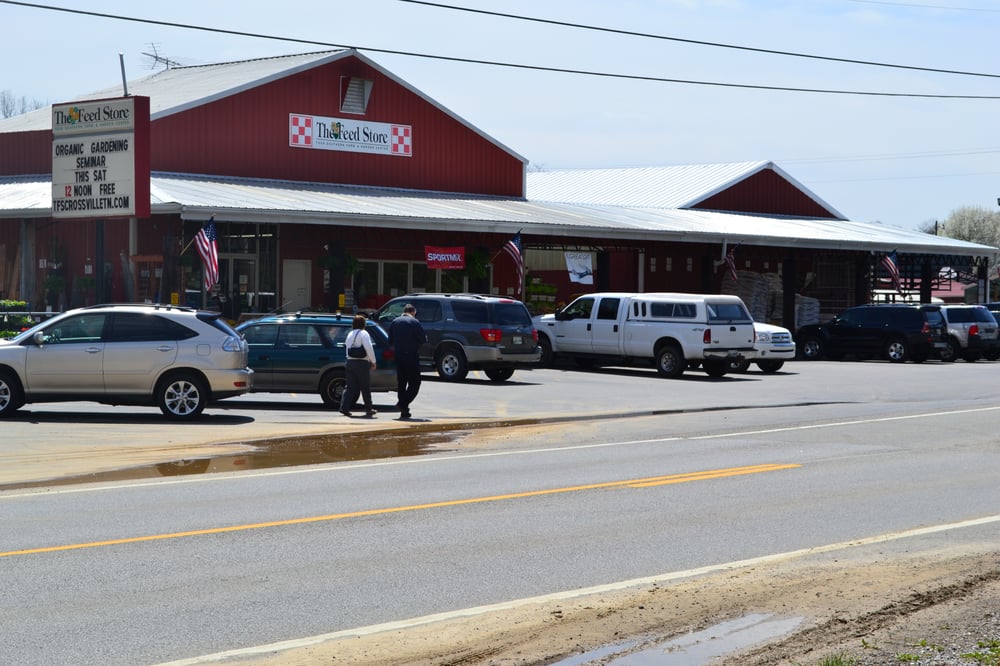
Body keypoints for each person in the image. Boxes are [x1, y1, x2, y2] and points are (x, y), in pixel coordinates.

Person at [388, 303, 427, 419]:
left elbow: (390, 341)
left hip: (398, 357)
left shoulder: (395, 322)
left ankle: (404, 411)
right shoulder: (415, 322)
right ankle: (403, 403)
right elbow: (423, 340)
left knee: (402, 383)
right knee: (415, 383)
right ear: (413, 312)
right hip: (411, 356)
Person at [340, 315, 377, 418]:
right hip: (362, 363)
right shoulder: (364, 333)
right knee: (365, 386)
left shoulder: (350, 334)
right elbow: (369, 348)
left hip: (350, 362)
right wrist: (373, 361)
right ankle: (369, 409)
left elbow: (347, 348)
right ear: (363, 324)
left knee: (350, 387)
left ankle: (344, 407)